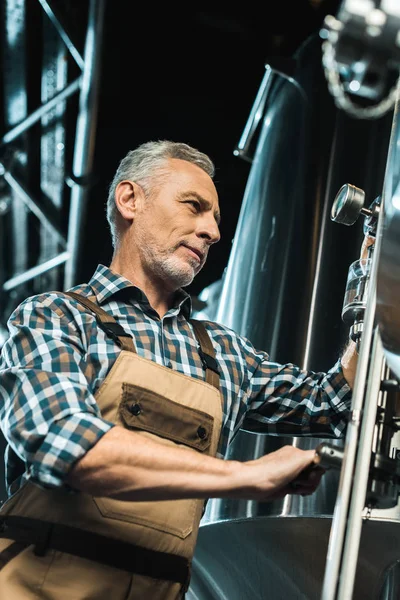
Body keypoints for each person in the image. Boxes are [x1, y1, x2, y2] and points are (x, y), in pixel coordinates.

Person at [0, 140, 358, 599]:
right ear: (130, 200)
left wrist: (377, 300)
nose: (211, 231)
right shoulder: (56, 317)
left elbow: (334, 404)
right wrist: (244, 476)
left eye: (216, 220)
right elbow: (66, 444)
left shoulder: (225, 353)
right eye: (194, 207)